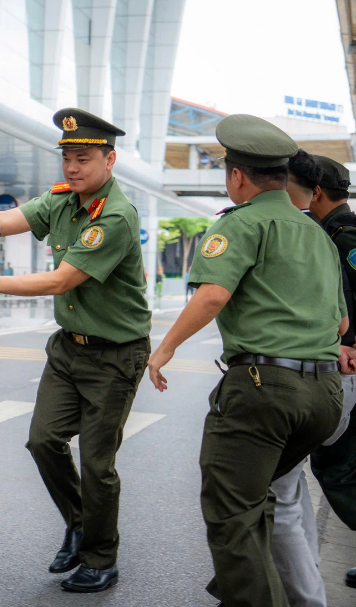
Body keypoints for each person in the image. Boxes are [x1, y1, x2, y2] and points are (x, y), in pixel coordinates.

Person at [147, 114, 346, 607]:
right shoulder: (317, 235)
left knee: (231, 508)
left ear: (237, 176)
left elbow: (212, 295)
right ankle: (254, 586)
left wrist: (165, 348)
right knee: (259, 497)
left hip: (264, 388)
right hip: (324, 399)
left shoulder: (241, 224)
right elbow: (341, 326)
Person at [0, 108, 151, 593]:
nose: (71, 168)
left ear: (110, 160)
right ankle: (81, 522)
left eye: (83, 159)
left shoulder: (118, 216)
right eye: (66, 158)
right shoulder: (62, 201)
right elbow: (3, 222)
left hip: (116, 354)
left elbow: (64, 279)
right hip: (68, 349)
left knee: (98, 462)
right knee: (43, 440)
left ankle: (102, 558)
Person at [267, 148, 335, 607]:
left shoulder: (289, 233)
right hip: (327, 385)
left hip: (289, 381)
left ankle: (305, 599)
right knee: (291, 490)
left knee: (278, 499)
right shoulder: (323, 237)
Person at [306, 154, 356, 590]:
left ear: (315, 192)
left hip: (349, 366)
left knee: (336, 464)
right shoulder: (330, 231)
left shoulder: (341, 237)